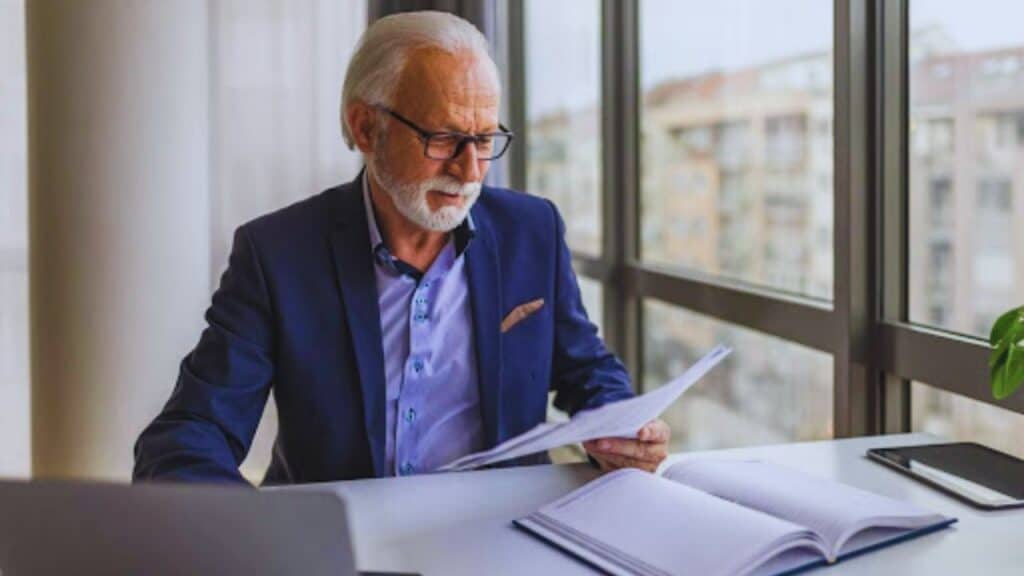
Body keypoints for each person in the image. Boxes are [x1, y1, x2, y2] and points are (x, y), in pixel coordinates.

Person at [133, 10, 669, 485]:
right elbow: (190, 431)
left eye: (484, 140)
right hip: (339, 535)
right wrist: (240, 535)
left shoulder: (533, 230)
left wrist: (621, 426)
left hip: (499, 526)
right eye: (444, 138)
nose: (470, 170)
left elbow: (585, 369)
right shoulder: (276, 254)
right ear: (367, 128)